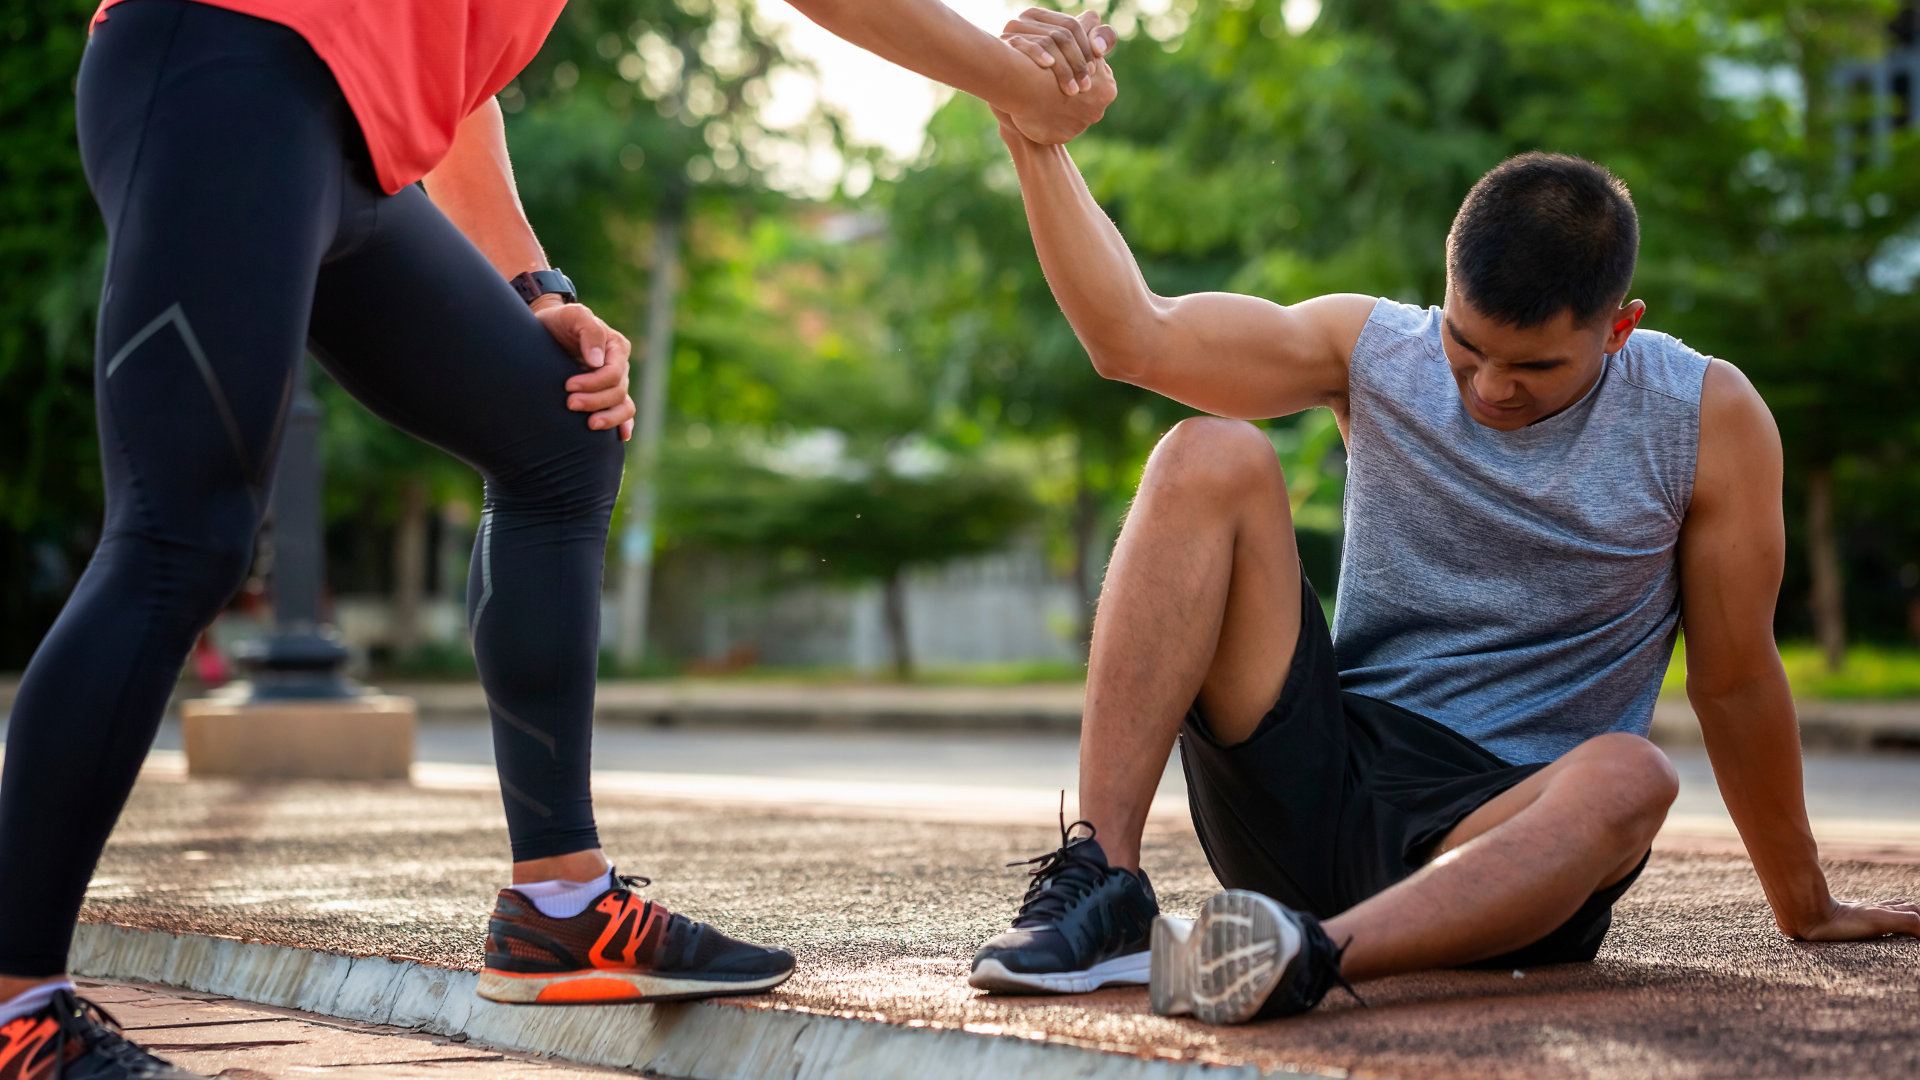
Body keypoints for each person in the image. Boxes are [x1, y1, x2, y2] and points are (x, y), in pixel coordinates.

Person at [0, 2, 1116, 1076]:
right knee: (182, 538)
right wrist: (1029, 92)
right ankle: (19, 1008)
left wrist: (536, 288)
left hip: (353, 147)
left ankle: (562, 905)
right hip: (227, 61)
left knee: (561, 430)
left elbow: (462, 96)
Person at [967, 103, 1920, 1018]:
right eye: (1468, 349)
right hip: (1320, 777)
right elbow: (1137, 337)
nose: (1491, 387)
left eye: (1534, 367)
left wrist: (1805, 901)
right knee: (1205, 453)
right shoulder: (1376, 349)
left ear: (1619, 327)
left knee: (1634, 776)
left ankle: (1306, 959)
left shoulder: (1704, 419)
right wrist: (1033, 136)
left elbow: (1737, 677)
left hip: (1502, 842)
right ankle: (1109, 882)